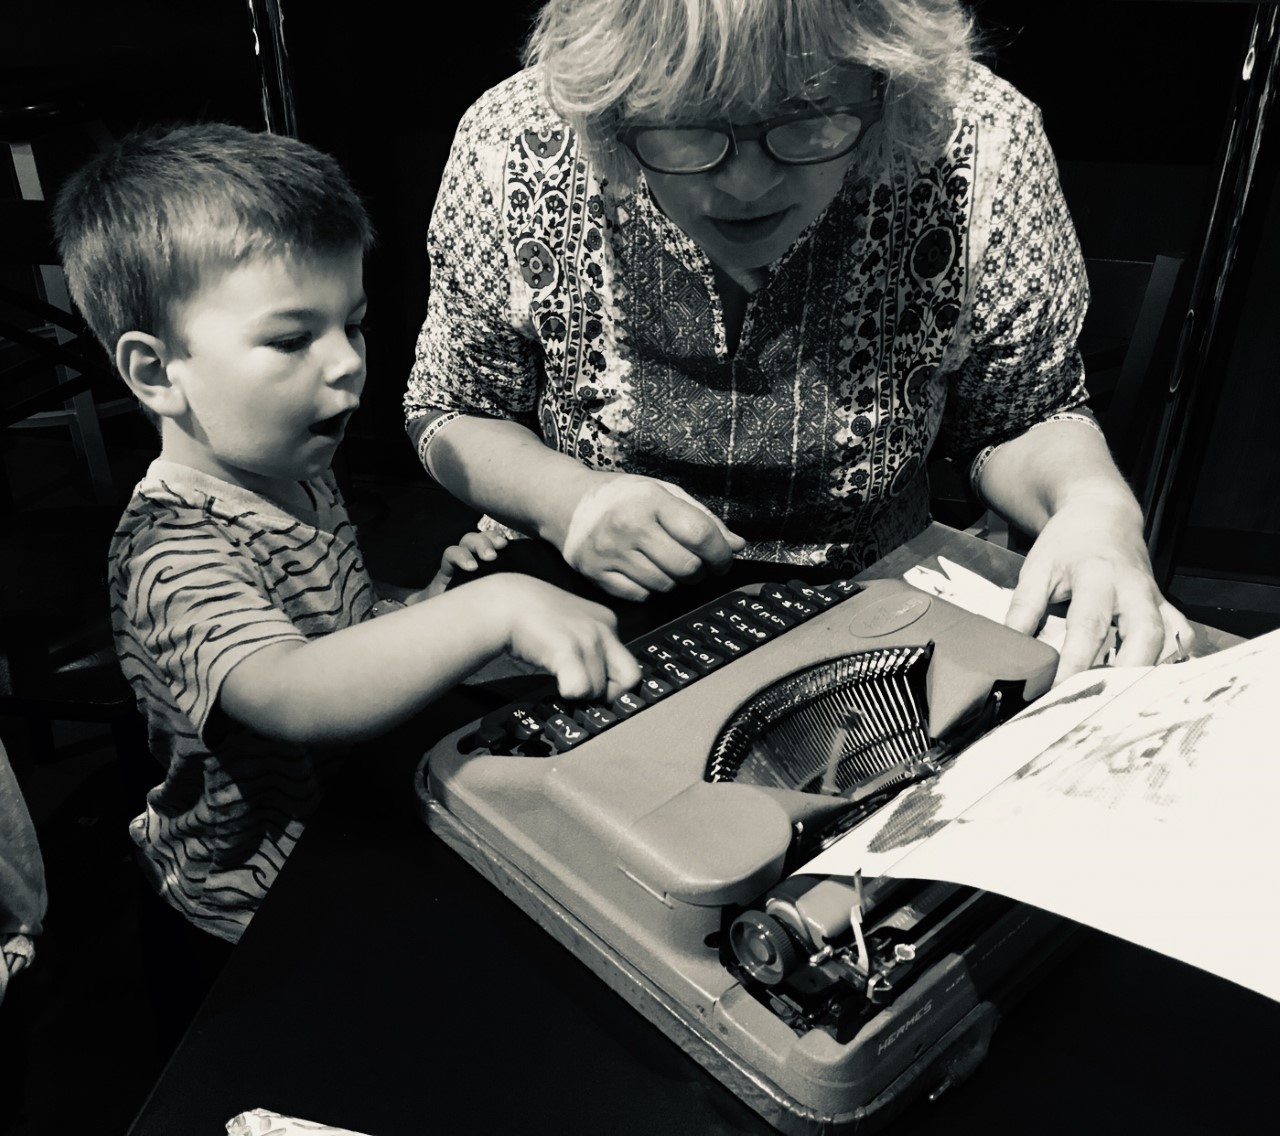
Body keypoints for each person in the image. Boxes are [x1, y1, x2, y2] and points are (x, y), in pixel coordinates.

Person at [404, 0, 1194, 684]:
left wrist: (1092, 502)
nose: (746, 184)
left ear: (886, 87)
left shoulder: (978, 142)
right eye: (686, 127)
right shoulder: (514, 143)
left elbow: (1021, 415)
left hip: (878, 605)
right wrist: (570, 501)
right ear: (612, 112)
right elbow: (448, 410)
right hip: (579, 599)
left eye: (808, 117)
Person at [51, 122, 640, 947]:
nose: (345, 362)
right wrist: (491, 611)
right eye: (292, 339)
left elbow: (332, 623)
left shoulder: (293, 468)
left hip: (352, 820)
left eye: (351, 324)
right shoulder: (172, 553)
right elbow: (293, 692)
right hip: (250, 909)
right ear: (155, 373)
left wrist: (422, 609)